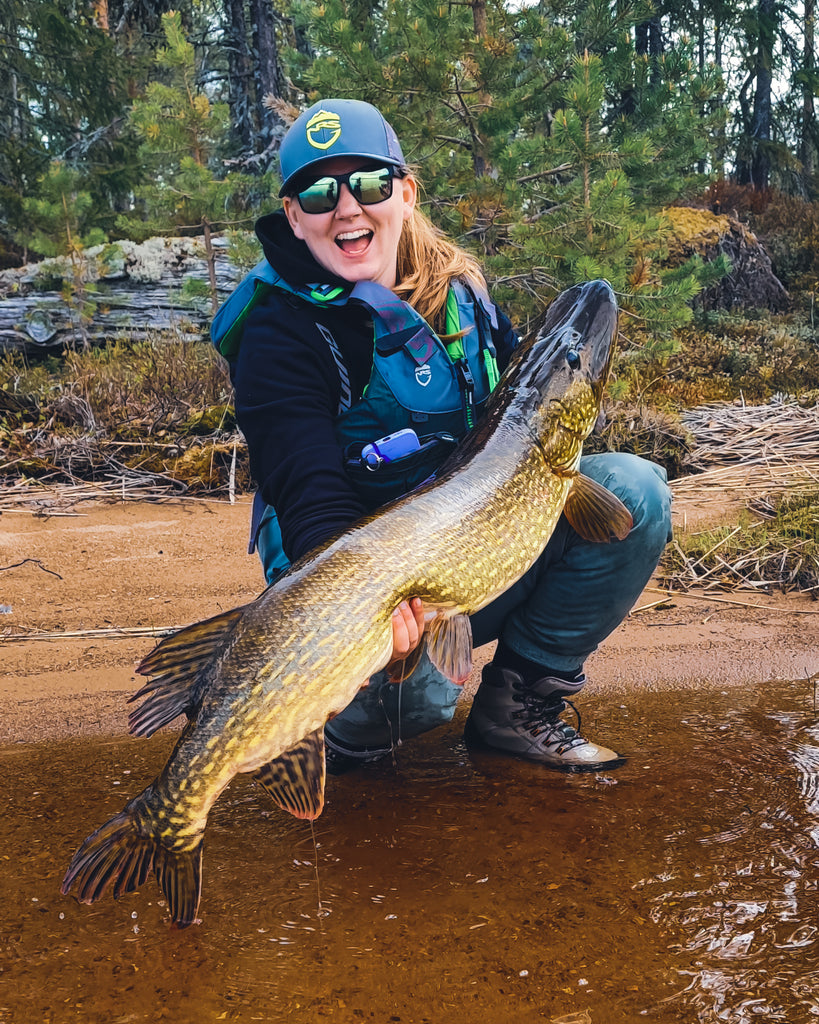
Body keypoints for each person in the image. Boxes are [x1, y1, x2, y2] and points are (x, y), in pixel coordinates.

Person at [214, 98, 672, 774]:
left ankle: (518, 708)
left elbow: (518, 418)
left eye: (367, 184)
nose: (346, 208)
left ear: (404, 192)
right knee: (412, 704)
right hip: (360, 598)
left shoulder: (463, 299)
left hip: (464, 561)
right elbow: (307, 493)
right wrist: (371, 616)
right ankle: (329, 726)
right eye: (318, 192)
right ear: (292, 216)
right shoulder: (280, 333)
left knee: (634, 492)